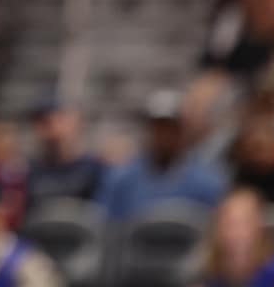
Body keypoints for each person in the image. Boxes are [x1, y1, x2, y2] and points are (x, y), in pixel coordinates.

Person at [94, 90, 227, 221]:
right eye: (158, 128)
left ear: (182, 131)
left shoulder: (207, 182)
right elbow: (105, 227)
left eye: (170, 129)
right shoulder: (122, 180)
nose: (164, 136)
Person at [195, 188, 274, 287]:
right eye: (228, 223)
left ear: (259, 224)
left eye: (243, 223)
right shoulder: (207, 270)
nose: (235, 232)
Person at [25, 99, 104, 204]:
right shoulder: (29, 171)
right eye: (43, 123)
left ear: (75, 122)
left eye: (59, 120)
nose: (54, 130)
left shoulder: (95, 168)